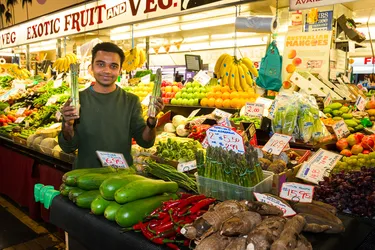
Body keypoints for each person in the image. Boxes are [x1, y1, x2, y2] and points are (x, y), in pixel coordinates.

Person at [58, 42, 164, 169]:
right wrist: (67, 125)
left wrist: (151, 122)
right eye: (101, 64)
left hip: (120, 179)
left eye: (113, 66)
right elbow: (68, 147)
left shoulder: (131, 101)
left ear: (120, 70)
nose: (107, 71)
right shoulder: (77, 101)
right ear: (91, 67)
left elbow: (145, 142)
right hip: (85, 176)